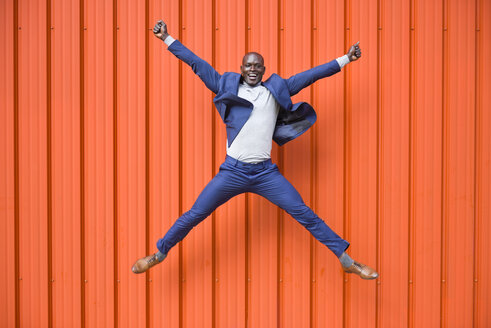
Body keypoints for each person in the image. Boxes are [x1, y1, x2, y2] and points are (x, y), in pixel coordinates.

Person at [132, 20, 378, 280]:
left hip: (265, 174)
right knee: (194, 214)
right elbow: (196, 63)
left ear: (263, 70)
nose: (253, 69)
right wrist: (167, 38)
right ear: (241, 68)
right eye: (248, 65)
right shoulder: (225, 85)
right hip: (232, 172)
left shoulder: (275, 89)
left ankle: (347, 261)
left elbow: (311, 75)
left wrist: (346, 59)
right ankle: (158, 254)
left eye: (257, 66)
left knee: (305, 214)